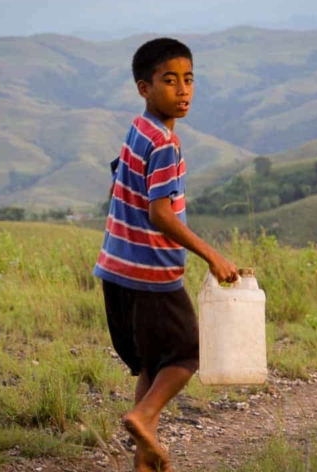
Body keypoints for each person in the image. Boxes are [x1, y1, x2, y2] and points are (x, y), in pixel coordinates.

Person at [93, 37, 239, 471]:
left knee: (151, 365)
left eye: (188, 80)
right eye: (169, 80)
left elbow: (119, 181)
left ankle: (144, 458)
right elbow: (161, 214)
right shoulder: (166, 146)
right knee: (188, 354)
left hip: (116, 270)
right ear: (144, 87)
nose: (182, 90)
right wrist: (213, 255)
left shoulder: (138, 130)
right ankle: (143, 416)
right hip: (153, 275)